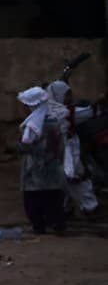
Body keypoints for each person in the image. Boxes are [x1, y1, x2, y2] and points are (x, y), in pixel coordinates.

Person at [17, 86, 69, 234]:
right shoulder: (56, 120)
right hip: (54, 166)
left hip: (36, 168)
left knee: (33, 199)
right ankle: (58, 224)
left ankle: (39, 226)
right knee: (53, 197)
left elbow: (26, 146)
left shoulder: (33, 125)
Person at [48, 80, 99, 216]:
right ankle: (90, 206)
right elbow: (87, 113)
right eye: (67, 95)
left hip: (63, 150)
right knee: (76, 179)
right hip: (65, 151)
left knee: (66, 181)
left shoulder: (53, 110)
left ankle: (65, 208)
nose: (70, 98)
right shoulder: (62, 112)